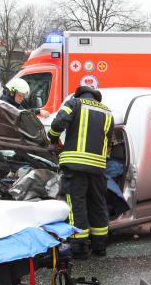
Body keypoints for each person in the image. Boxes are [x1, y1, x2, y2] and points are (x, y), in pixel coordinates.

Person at [47, 86, 113, 259]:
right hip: (98, 167)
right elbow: (109, 141)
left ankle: (79, 248)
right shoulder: (107, 111)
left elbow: (58, 123)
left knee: (77, 204)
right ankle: (100, 247)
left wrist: (52, 138)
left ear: (79, 94)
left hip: (75, 165)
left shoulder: (74, 103)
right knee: (97, 203)